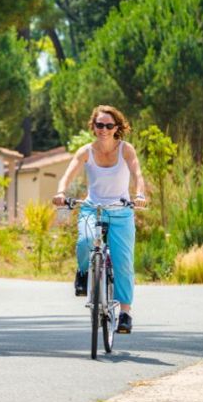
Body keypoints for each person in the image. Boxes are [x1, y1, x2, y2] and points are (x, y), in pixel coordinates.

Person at [52, 105, 147, 333]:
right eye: (99, 125)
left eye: (109, 125)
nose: (104, 129)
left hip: (120, 210)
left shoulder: (126, 149)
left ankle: (125, 312)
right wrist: (61, 193)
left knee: (123, 261)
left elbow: (137, 174)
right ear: (93, 127)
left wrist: (140, 194)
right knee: (85, 242)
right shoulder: (86, 151)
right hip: (92, 208)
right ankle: (83, 272)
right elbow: (68, 174)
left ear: (117, 128)